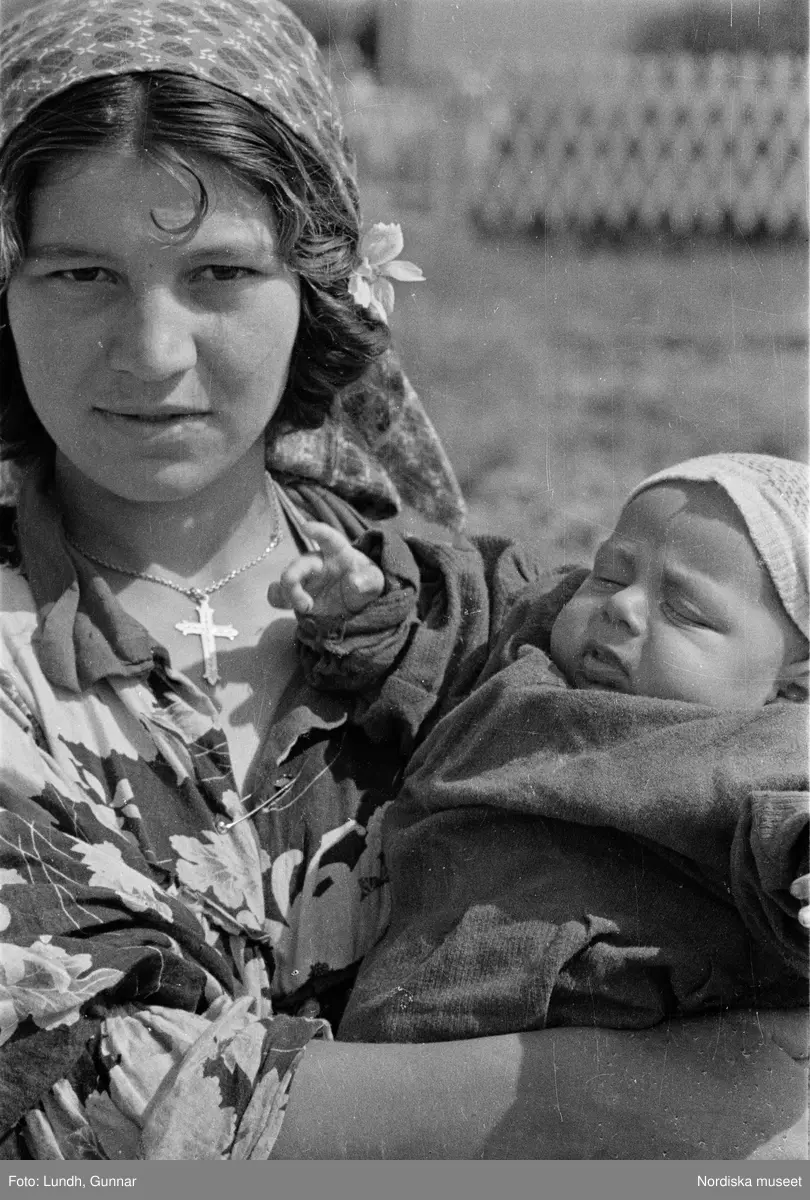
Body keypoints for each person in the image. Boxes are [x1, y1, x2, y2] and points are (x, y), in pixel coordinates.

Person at [0, 0, 805, 1161]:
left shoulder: (482, 613)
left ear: (319, 284)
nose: (154, 349)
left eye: (220, 272)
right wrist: (658, 1098)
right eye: (81, 272)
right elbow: (86, 1106)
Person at [273, 452, 809, 1042]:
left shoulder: (764, 747)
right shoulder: (530, 648)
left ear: (789, 687)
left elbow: (791, 828)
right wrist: (370, 606)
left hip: (608, 1048)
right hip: (406, 1030)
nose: (622, 607)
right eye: (609, 575)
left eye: (683, 608)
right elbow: (453, 618)